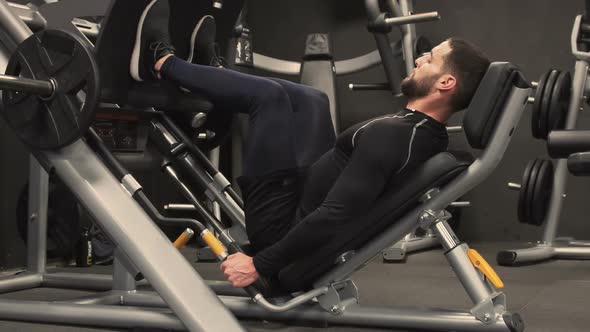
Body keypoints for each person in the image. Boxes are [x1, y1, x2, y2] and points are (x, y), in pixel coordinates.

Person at [130, 0, 491, 292]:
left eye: (431, 59)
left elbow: (336, 215)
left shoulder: (397, 136)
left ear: (445, 82)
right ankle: (209, 72)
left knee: (269, 97)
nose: (419, 58)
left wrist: (259, 263)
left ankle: (160, 62)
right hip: (305, 192)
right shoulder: (425, 132)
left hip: (280, 223)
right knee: (312, 99)